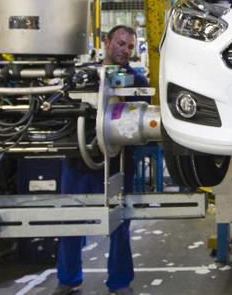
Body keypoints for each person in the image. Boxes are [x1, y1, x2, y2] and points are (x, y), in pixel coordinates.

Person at [55, 25, 149, 295]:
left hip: (118, 163)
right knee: (70, 220)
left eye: (130, 47)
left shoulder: (137, 80)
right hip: (79, 160)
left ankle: (119, 282)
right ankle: (68, 279)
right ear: (107, 42)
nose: (125, 51)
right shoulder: (84, 75)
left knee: (120, 223)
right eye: (121, 44)